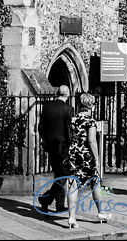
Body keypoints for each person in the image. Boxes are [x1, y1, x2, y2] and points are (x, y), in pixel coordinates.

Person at [64, 94, 111, 228]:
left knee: (73, 185)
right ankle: (101, 212)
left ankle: (72, 218)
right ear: (92, 105)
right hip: (85, 156)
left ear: (80, 104)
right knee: (94, 182)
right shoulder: (90, 121)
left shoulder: (72, 119)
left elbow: (69, 137)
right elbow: (91, 140)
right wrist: (97, 158)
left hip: (73, 154)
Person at [37, 85, 74, 213]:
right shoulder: (68, 109)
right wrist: (71, 144)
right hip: (63, 147)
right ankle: (46, 199)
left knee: (59, 175)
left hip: (50, 146)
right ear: (68, 94)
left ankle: (59, 204)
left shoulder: (47, 107)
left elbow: (40, 127)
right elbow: (68, 130)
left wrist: (45, 139)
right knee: (64, 175)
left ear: (57, 93)